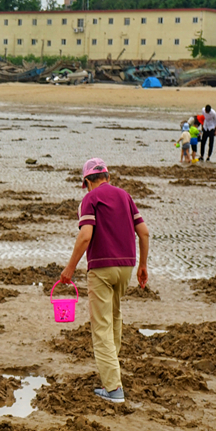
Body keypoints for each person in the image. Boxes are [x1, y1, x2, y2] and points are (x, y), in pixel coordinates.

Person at [59, 158, 150, 404]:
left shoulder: (90, 198)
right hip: (126, 267)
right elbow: (144, 232)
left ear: (87, 181)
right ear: (108, 177)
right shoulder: (125, 196)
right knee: (115, 317)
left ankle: (113, 388)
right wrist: (142, 265)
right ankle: (112, 373)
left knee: (101, 327)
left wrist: (69, 268)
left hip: (101, 268)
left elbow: (85, 235)